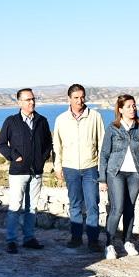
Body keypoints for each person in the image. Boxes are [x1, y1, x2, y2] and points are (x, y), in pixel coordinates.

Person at [0, 88, 53, 254]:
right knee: (15, 206)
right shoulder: (11, 121)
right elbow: (1, 144)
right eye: (28, 100)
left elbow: (48, 143)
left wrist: (42, 158)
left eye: (33, 99)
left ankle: (29, 238)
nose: (32, 102)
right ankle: (11, 241)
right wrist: (14, 156)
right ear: (19, 102)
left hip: (36, 171)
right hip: (18, 172)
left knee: (32, 207)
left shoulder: (42, 121)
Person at [53, 84, 105, 252]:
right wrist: (58, 166)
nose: (79, 100)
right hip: (70, 168)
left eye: (82, 97)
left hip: (91, 168)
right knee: (75, 204)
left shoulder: (95, 116)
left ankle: (93, 241)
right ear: (69, 99)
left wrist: (101, 169)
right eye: (76, 97)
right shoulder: (61, 119)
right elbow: (57, 146)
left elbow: (102, 143)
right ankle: (75, 238)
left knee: (92, 205)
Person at [98, 94, 139, 260]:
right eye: (128, 106)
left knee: (130, 208)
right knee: (117, 208)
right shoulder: (112, 128)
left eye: (134, 106)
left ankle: (127, 241)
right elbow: (104, 154)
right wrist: (102, 179)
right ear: (120, 109)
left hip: (135, 174)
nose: (132, 109)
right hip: (115, 173)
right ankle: (109, 244)